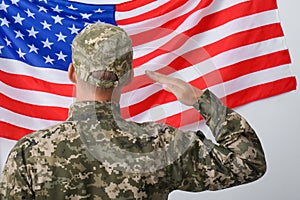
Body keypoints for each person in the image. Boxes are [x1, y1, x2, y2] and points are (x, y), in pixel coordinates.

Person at [0, 22, 266, 200]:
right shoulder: (161, 144)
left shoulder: (29, 152)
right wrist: (201, 100)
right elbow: (248, 163)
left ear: (72, 73)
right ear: (128, 77)